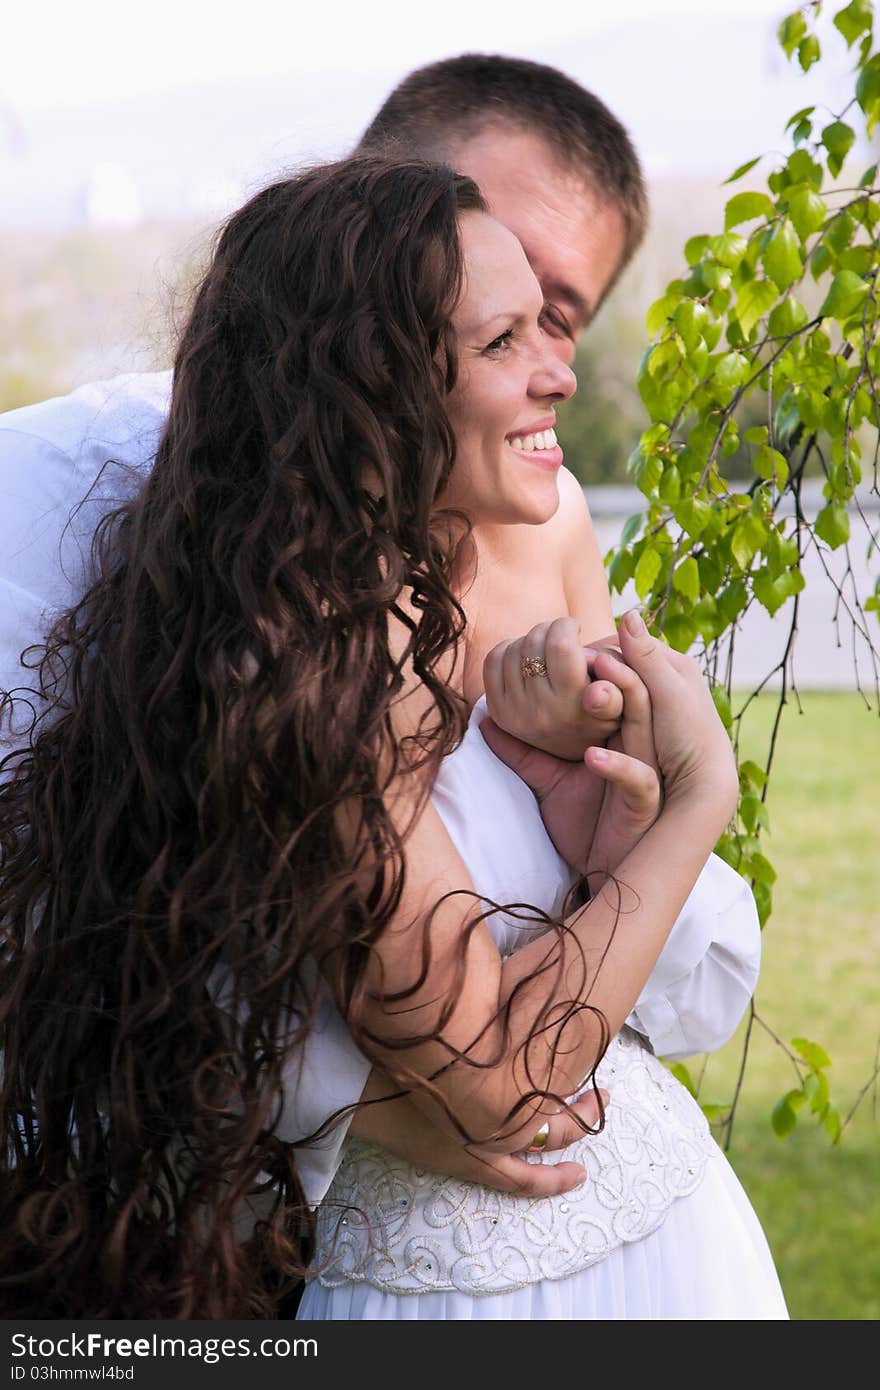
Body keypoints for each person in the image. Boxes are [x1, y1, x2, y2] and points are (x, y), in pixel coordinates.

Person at [0, 155, 786, 1319]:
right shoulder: (322, 658)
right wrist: (695, 798)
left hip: (662, 1248)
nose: (559, 375)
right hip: (482, 1300)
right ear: (372, 383)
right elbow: (512, 1088)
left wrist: (591, 816)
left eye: (551, 331)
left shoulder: (431, 596)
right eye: (503, 343)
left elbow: (622, 970)